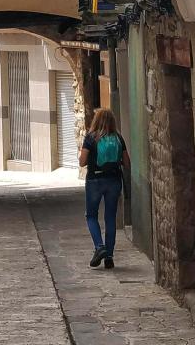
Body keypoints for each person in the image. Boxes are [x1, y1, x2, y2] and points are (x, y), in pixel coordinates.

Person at [79, 107, 130, 269]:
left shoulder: (90, 138)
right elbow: (127, 163)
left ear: (96, 121)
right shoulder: (118, 138)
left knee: (91, 215)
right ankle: (109, 256)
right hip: (114, 181)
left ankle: (99, 246)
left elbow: (82, 162)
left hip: (95, 180)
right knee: (110, 218)